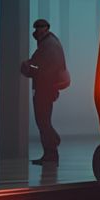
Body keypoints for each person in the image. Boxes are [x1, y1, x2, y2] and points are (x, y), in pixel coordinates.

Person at [20, 18, 69, 165]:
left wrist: (28, 67)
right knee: (43, 121)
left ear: (46, 28)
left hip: (44, 88)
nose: (36, 31)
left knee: (42, 121)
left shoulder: (48, 45)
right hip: (46, 88)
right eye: (36, 28)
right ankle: (50, 152)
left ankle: (51, 150)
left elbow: (41, 68)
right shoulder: (49, 43)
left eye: (40, 28)